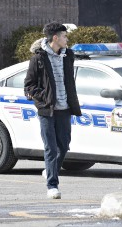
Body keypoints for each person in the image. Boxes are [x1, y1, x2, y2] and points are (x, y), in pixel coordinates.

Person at [24, 22, 82, 199]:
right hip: (47, 110)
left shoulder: (68, 55)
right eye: (64, 36)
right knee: (50, 147)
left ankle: (50, 169)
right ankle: (52, 185)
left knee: (63, 145)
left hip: (65, 108)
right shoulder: (38, 59)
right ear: (55, 38)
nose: (67, 39)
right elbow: (29, 86)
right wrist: (44, 97)